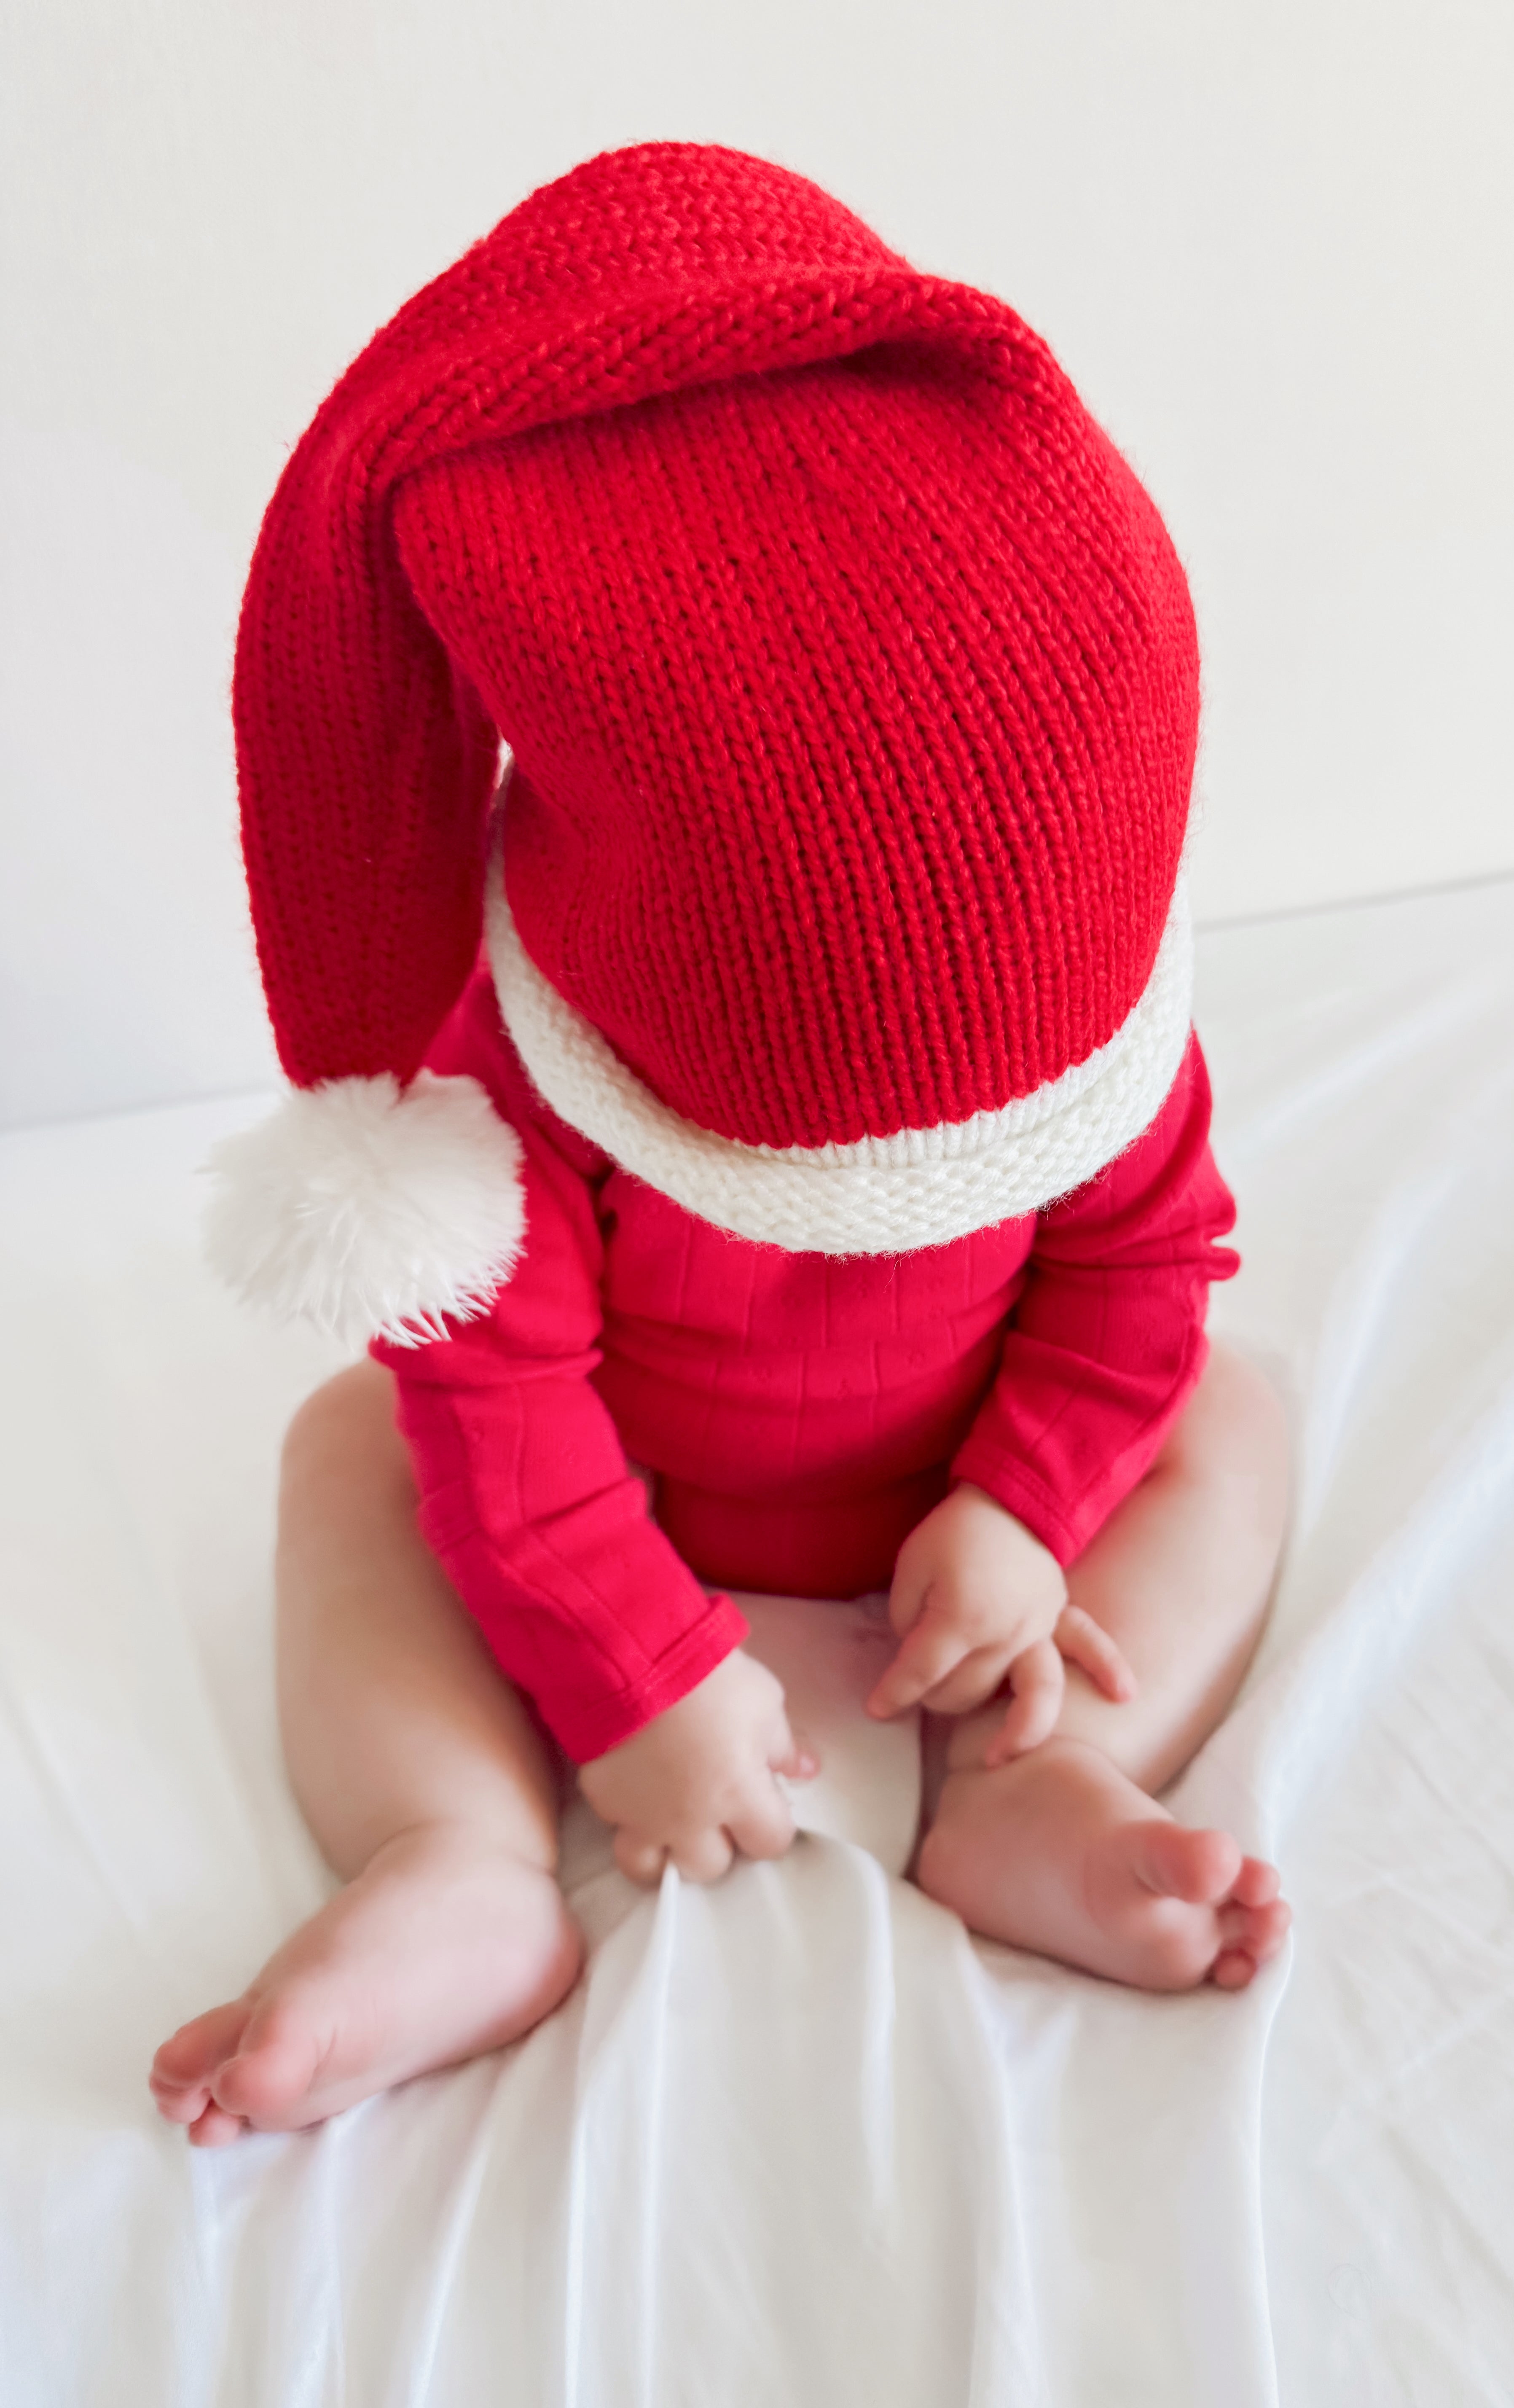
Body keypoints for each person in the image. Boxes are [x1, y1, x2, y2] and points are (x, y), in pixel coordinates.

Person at [150, 144, 1292, 2149]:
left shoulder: (1088, 1015)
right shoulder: (517, 1082)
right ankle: (459, 1856)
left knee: (1237, 1417)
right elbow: (496, 1414)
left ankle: (1039, 1781)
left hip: (970, 1540)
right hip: (621, 1498)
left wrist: (1030, 1508)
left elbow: (1141, 1269)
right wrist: (631, 1680)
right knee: (353, 1453)